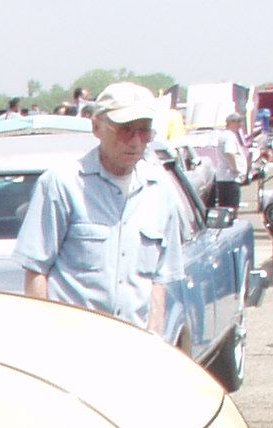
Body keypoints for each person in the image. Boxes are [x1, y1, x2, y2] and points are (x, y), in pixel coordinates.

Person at [14, 81, 186, 336]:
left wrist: (155, 333)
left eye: (144, 131)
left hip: (135, 343)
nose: (136, 141)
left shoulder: (160, 189)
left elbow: (161, 277)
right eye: (125, 130)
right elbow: (36, 271)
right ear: (97, 127)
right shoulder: (63, 184)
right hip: (73, 342)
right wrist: (46, 337)